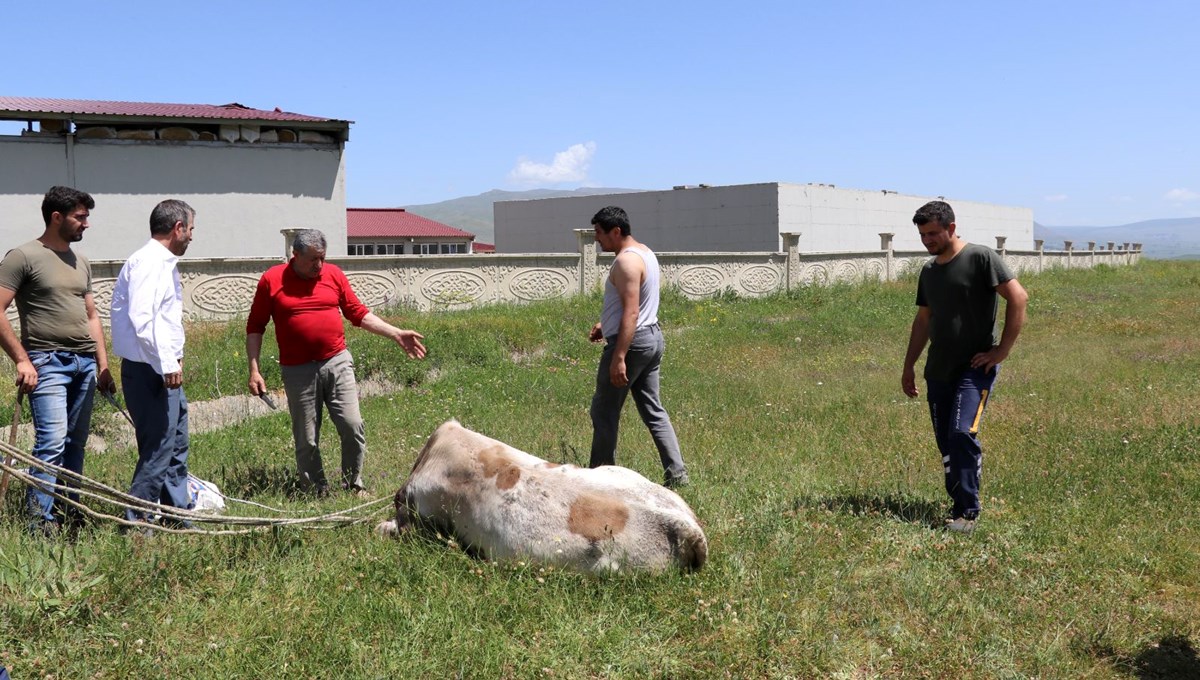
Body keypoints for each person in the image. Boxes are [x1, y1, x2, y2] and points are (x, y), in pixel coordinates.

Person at [245, 229, 426, 496]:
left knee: (352, 425)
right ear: (295, 256)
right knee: (306, 438)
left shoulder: (333, 275)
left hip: (337, 361)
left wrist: (396, 333)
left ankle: (353, 485)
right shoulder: (272, 280)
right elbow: (255, 326)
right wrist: (254, 369)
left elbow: (357, 312)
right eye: (313, 259)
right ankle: (316, 491)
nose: (319, 265)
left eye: (323, 258)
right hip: (298, 370)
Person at [901, 200, 1028, 533]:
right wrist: (908, 366)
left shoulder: (981, 258)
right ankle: (959, 502)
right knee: (947, 443)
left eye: (932, 233)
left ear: (951, 228)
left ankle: (967, 512)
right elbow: (923, 320)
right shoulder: (929, 271)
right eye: (922, 235)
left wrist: (1001, 351)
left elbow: (1018, 297)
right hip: (938, 370)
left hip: (975, 368)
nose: (927, 241)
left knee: (961, 434)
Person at [0, 186, 116, 536]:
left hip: (84, 365)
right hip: (47, 363)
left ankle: (70, 513)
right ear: (56, 217)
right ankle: (39, 522)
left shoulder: (80, 261)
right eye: (80, 217)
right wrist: (22, 360)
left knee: (75, 444)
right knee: (51, 441)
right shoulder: (22, 256)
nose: (86, 224)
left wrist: (103, 365)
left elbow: (92, 315)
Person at [587, 206, 689, 488]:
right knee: (653, 409)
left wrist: (618, 356)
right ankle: (677, 474)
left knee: (604, 411)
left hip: (632, 344)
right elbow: (637, 303)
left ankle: (600, 480)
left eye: (599, 233)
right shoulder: (646, 252)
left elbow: (632, 312)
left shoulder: (626, 262)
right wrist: (604, 323)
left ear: (615, 231)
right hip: (651, 338)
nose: (597, 239)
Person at [110, 199, 197, 528]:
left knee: (176, 446)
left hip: (162, 368)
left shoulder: (162, 263)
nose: (191, 236)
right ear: (178, 228)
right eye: (190, 229)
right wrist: (167, 364)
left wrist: (175, 357)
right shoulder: (148, 262)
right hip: (150, 371)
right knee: (159, 449)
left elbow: (164, 321)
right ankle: (137, 524)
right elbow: (142, 320)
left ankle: (176, 517)